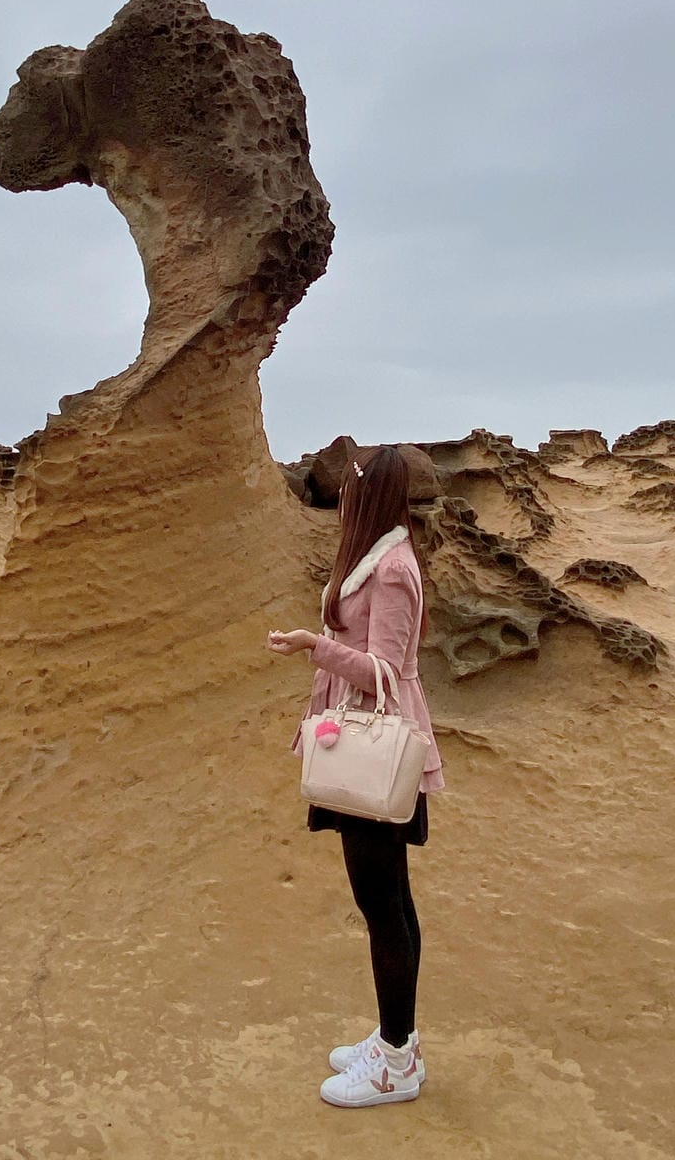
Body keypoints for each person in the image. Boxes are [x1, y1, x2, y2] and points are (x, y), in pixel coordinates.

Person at [267, 444, 445, 1107]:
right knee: (388, 901)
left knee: (384, 907)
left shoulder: (393, 569)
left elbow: (386, 674)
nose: (342, 497)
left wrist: (317, 647)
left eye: (351, 488)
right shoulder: (379, 558)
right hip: (358, 740)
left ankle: (396, 1062)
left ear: (369, 495)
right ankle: (396, 1039)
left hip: (376, 752)